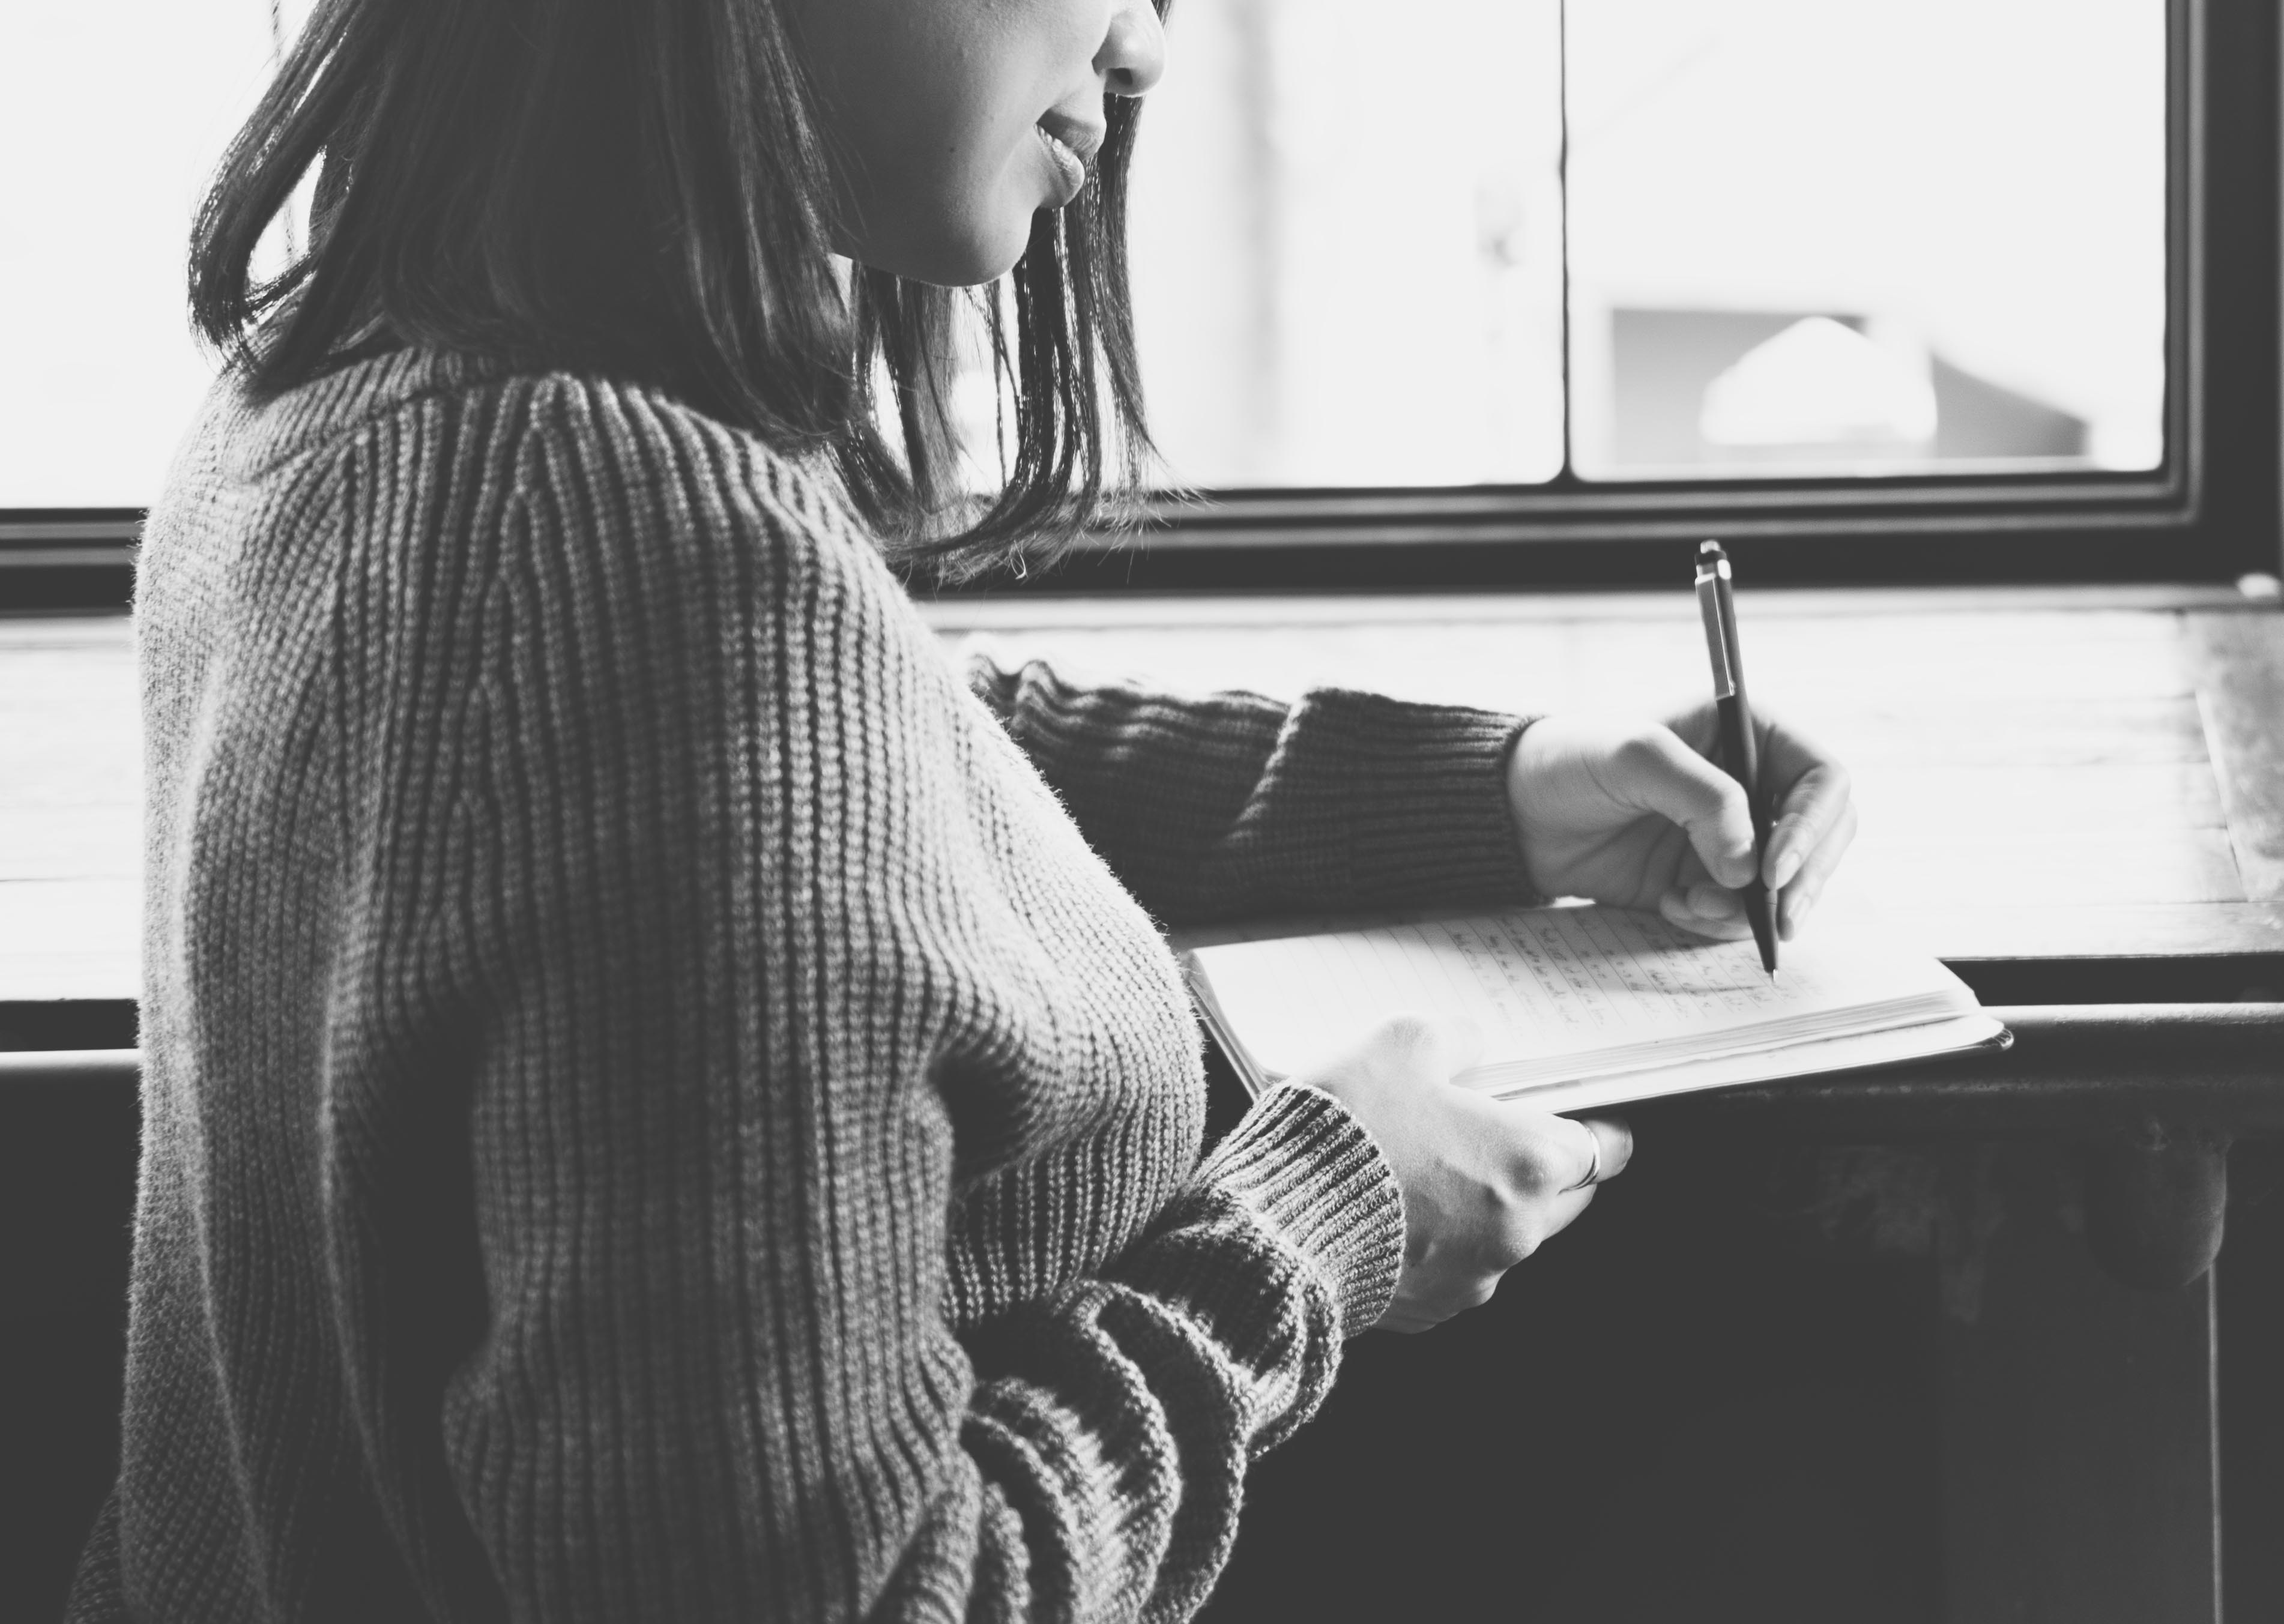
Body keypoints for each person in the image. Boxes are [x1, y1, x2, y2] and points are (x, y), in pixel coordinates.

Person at [68, 0, 1856, 1618]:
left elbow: (898, 757)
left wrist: (1504, 791)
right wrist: (1314, 1229)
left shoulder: (357, 388)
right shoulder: (663, 583)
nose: (1148, 50)